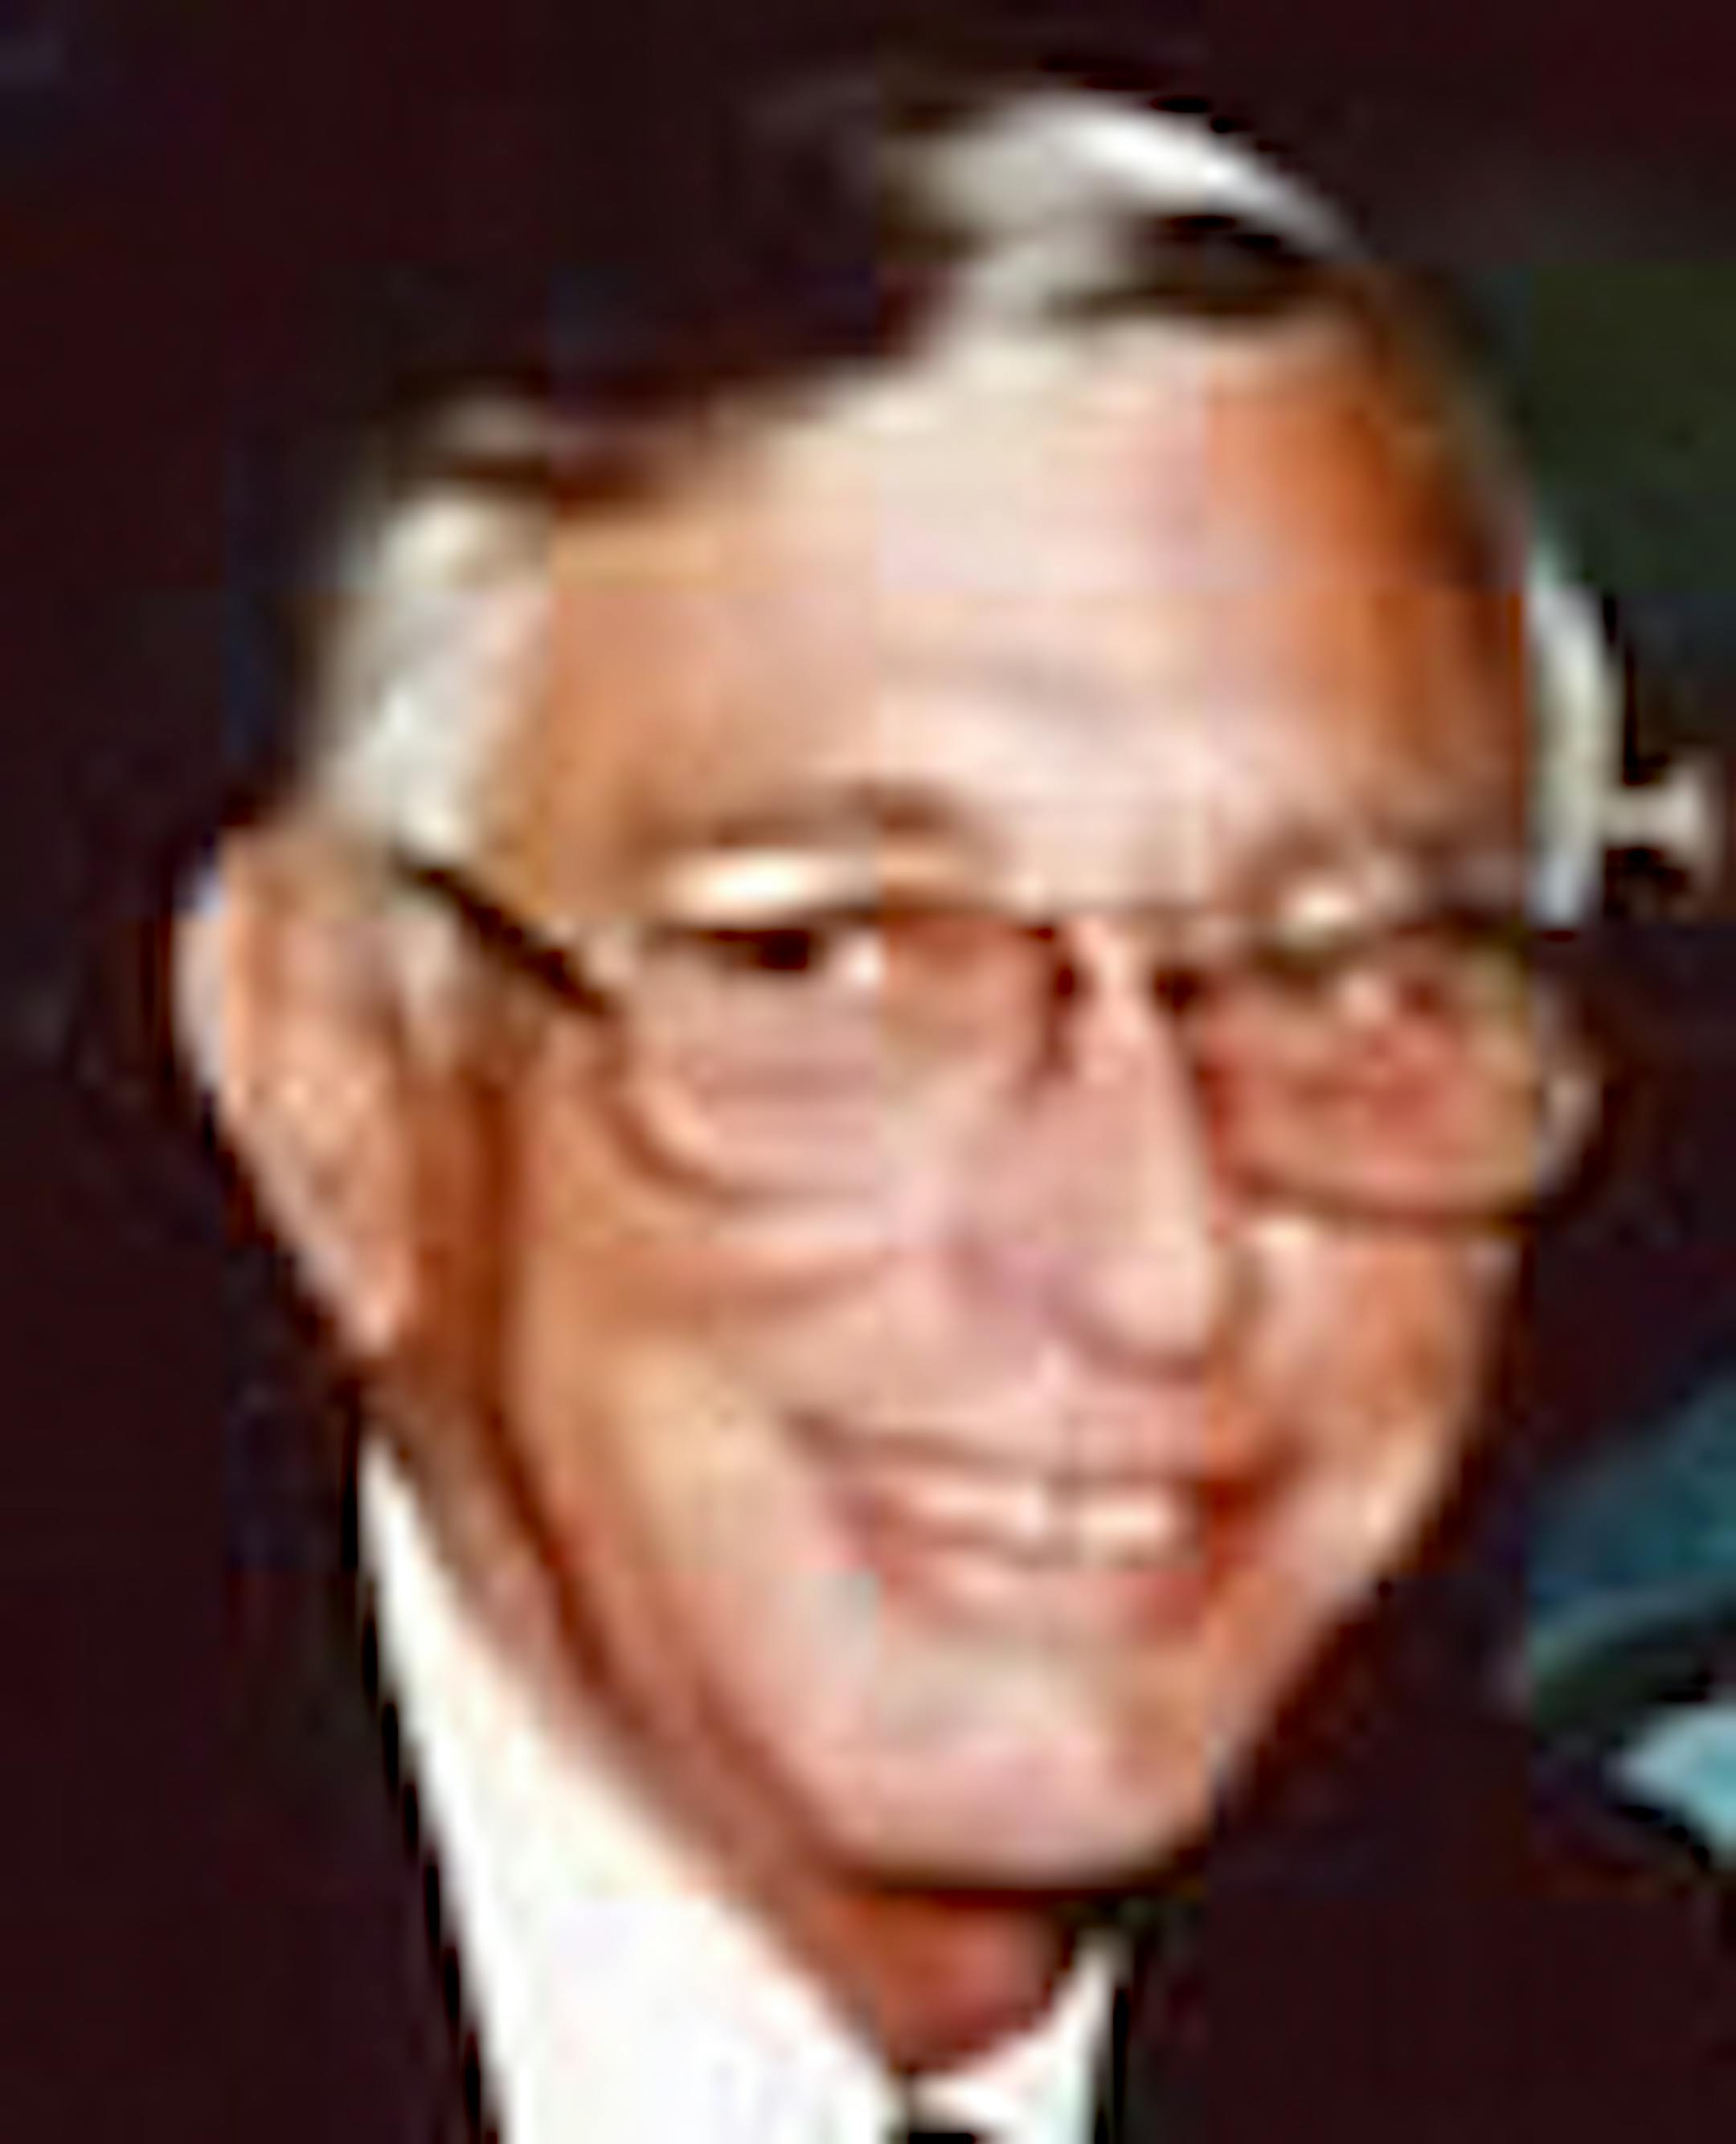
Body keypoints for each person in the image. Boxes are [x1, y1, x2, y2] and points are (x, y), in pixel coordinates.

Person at [175, 54, 1732, 2142]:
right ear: (342, 1077)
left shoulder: (1611, 2031)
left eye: (1351, 971)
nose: (1154, 1262)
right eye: (839, 959)